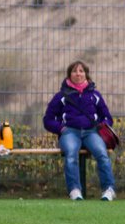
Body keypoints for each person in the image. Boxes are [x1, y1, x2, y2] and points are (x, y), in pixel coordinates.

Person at [43, 60, 117, 201]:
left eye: (81, 71)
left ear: (86, 75)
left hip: (91, 132)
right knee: (71, 154)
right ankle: (75, 190)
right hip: (70, 132)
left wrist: (102, 125)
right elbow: (48, 120)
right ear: (69, 75)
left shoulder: (95, 95)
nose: (78, 74)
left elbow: (107, 117)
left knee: (102, 154)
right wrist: (61, 128)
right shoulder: (60, 97)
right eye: (75, 71)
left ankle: (109, 190)